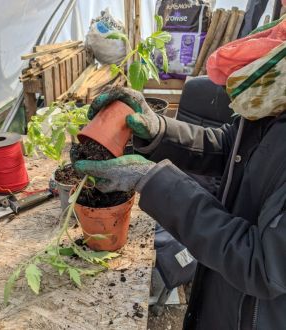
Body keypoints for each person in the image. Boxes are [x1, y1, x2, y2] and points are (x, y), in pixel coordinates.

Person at [74, 26, 286, 330]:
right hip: (220, 291)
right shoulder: (278, 85)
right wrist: (160, 130)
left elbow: (263, 265)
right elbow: (233, 146)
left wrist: (151, 179)